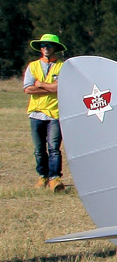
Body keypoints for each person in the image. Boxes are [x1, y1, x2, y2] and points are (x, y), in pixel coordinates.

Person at [24, 34, 66, 192]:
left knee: (54, 147)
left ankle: (55, 178)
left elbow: (59, 87)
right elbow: (28, 88)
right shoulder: (32, 66)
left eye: (49, 45)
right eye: (43, 45)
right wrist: (51, 87)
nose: (45, 48)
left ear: (55, 47)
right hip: (36, 113)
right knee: (39, 149)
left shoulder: (62, 66)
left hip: (55, 113)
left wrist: (40, 84)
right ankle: (42, 176)